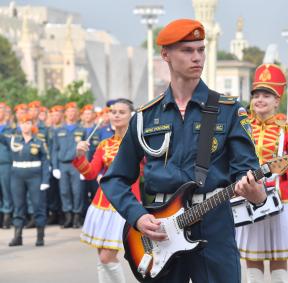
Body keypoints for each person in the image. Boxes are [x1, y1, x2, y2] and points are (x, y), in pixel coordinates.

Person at [100, 19, 267, 283]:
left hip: (213, 224)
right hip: (158, 231)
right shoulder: (145, 116)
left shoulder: (228, 110)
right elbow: (115, 178)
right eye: (188, 50)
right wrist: (138, 217)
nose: (197, 57)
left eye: (201, 49)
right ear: (166, 54)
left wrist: (257, 193)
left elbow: (246, 172)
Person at [235, 64, 288, 283]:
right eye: (257, 95)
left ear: (277, 101)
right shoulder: (242, 125)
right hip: (246, 197)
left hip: (279, 197)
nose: (260, 100)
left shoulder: (287, 129)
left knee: (279, 257)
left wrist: (283, 172)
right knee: (252, 257)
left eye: (266, 96)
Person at [73, 99, 139, 283]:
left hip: (125, 204)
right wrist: (79, 156)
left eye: (121, 112)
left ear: (131, 115)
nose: (116, 115)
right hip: (101, 205)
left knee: (106, 258)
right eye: (113, 111)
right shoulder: (104, 144)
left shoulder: (139, 143)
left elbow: (147, 172)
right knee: (102, 259)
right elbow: (90, 173)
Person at [0, 113, 50, 246]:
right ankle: (18, 236)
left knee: (38, 206)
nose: (25, 126)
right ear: (19, 125)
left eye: (28, 123)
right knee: (18, 206)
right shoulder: (13, 139)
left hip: (35, 176)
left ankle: (40, 237)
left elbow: (45, 161)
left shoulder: (39, 141)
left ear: (32, 125)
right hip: (17, 176)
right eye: (22, 123)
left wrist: (45, 180)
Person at [52, 102, 85, 228]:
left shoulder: (81, 130)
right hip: (63, 165)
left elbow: (85, 150)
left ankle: (77, 216)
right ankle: (68, 217)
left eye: (73, 111)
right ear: (65, 114)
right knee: (64, 192)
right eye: (69, 111)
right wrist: (55, 167)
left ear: (76, 114)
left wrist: (84, 168)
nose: (71, 114)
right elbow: (54, 150)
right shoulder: (59, 130)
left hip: (76, 165)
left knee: (77, 192)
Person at [0, 102, 14, 229]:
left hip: (5, 164)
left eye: (1, 109)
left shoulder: (10, 129)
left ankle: (7, 216)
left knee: (6, 191)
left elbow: (13, 146)